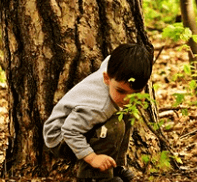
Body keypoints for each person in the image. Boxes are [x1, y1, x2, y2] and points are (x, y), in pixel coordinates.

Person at [43, 43, 153, 182]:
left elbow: (110, 58)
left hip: (81, 124)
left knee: (128, 113)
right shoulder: (99, 107)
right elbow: (70, 131)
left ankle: (114, 166)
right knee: (114, 126)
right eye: (121, 91)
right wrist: (92, 158)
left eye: (135, 93)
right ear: (106, 78)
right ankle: (95, 176)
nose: (127, 99)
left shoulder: (114, 67)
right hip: (60, 137)